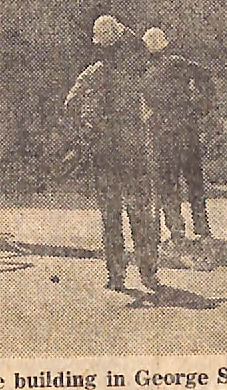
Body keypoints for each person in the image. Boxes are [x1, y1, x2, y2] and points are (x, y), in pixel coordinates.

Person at [64, 15, 160, 293]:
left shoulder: (93, 74)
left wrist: (88, 127)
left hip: (104, 154)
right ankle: (148, 274)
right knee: (139, 214)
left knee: (110, 217)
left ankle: (116, 276)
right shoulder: (134, 75)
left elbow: (70, 103)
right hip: (131, 153)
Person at [141, 27, 216, 241]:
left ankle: (176, 229)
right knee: (193, 180)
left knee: (168, 181)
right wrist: (202, 106)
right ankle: (201, 226)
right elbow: (205, 76)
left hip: (164, 133)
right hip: (186, 129)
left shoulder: (145, 73)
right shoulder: (179, 63)